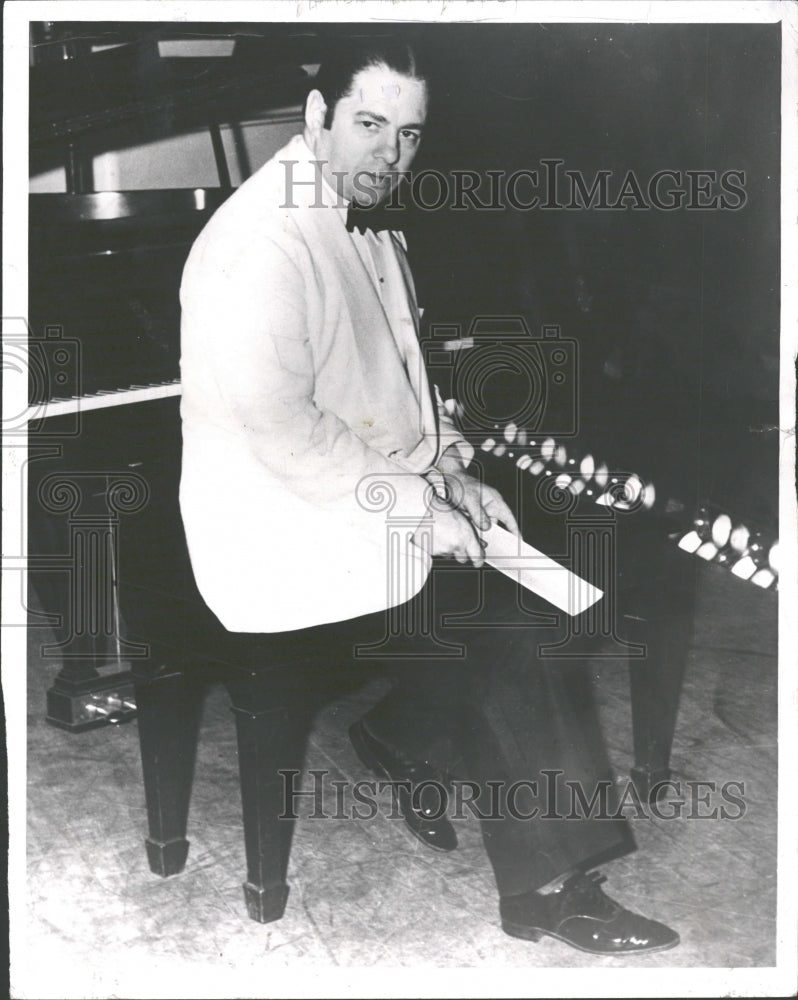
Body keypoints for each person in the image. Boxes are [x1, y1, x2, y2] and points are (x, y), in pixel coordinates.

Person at [179, 36, 679, 954]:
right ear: (316, 116)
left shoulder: (365, 215)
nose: (392, 156)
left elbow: (402, 383)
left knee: (575, 573)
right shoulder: (258, 248)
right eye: (370, 126)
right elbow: (288, 432)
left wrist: (451, 463)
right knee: (510, 624)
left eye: (409, 135)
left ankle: (408, 734)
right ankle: (550, 890)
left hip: (355, 495)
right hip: (277, 529)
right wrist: (425, 514)